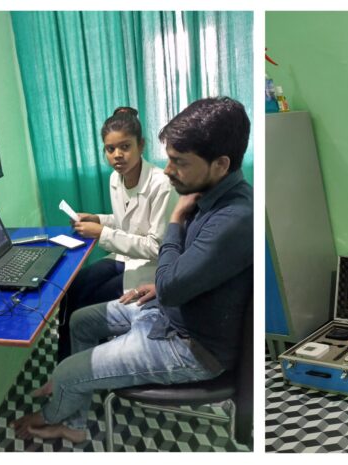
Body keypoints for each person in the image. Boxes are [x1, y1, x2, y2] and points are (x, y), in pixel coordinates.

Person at [14, 97, 253, 442]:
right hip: (168, 310)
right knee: (80, 318)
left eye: (178, 162)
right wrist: (160, 288)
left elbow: (170, 272)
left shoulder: (231, 217)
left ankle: (56, 414)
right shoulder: (209, 194)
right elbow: (195, 272)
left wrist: (174, 220)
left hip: (189, 346)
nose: (169, 170)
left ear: (220, 164)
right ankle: (76, 419)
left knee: (67, 371)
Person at [56, 106, 175, 360]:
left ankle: (88, 362)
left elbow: (157, 246)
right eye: (110, 149)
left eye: (125, 147)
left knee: (87, 303)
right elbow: (125, 222)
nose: (117, 155)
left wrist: (102, 233)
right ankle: (66, 363)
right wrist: (98, 219)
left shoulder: (160, 184)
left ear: (141, 145)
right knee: (70, 291)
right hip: (123, 257)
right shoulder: (115, 179)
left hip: (149, 267)